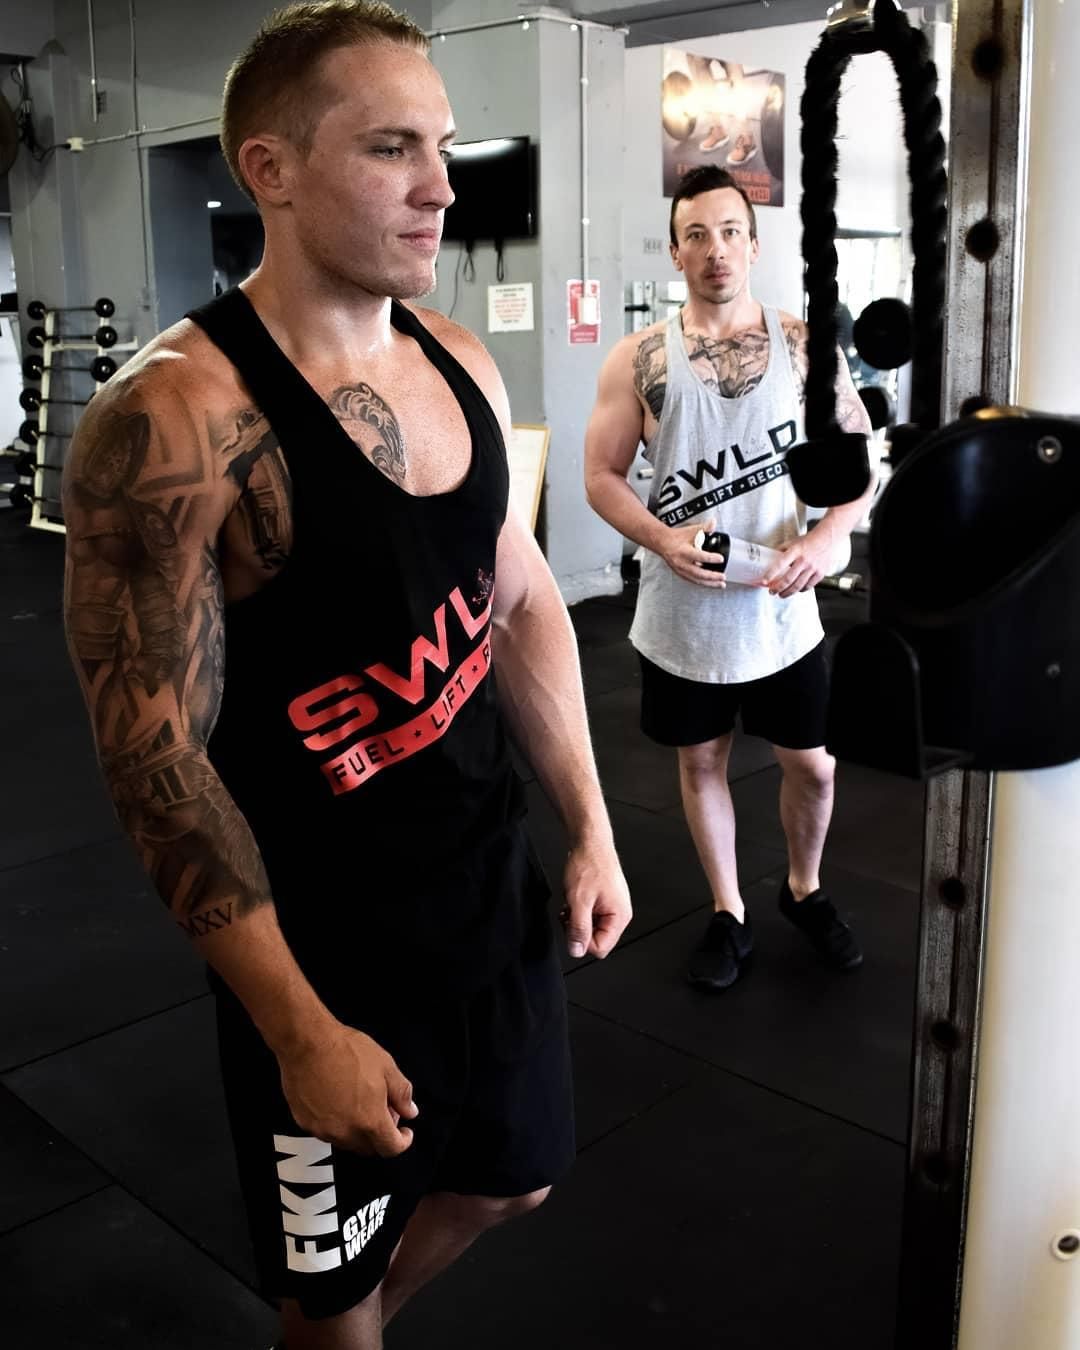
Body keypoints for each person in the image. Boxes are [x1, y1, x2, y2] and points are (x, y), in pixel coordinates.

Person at [61, 4, 631, 1347]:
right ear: (271, 168)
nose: (442, 183)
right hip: (321, 941)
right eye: (392, 148)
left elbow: (523, 595)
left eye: (440, 142)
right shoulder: (175, 419)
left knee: (516, 1177)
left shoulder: (461, 363)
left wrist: (593, 822)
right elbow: (157, 761)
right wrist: (297, 1026)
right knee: (327, 1304)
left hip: (484, 893)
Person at [584, 164, 873, 994]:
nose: (716, 250)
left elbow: (860, 468)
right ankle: (728, 910)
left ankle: (803, 888)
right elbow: (601, 476)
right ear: (676, 252)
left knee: (812, 765)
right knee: (702, 762)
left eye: (730, 231)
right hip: (686, 610)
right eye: (697, 235)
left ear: (754, 243)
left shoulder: (804, 346)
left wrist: (826, 534)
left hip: (785, 612)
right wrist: (660, 540)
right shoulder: (637, 359)